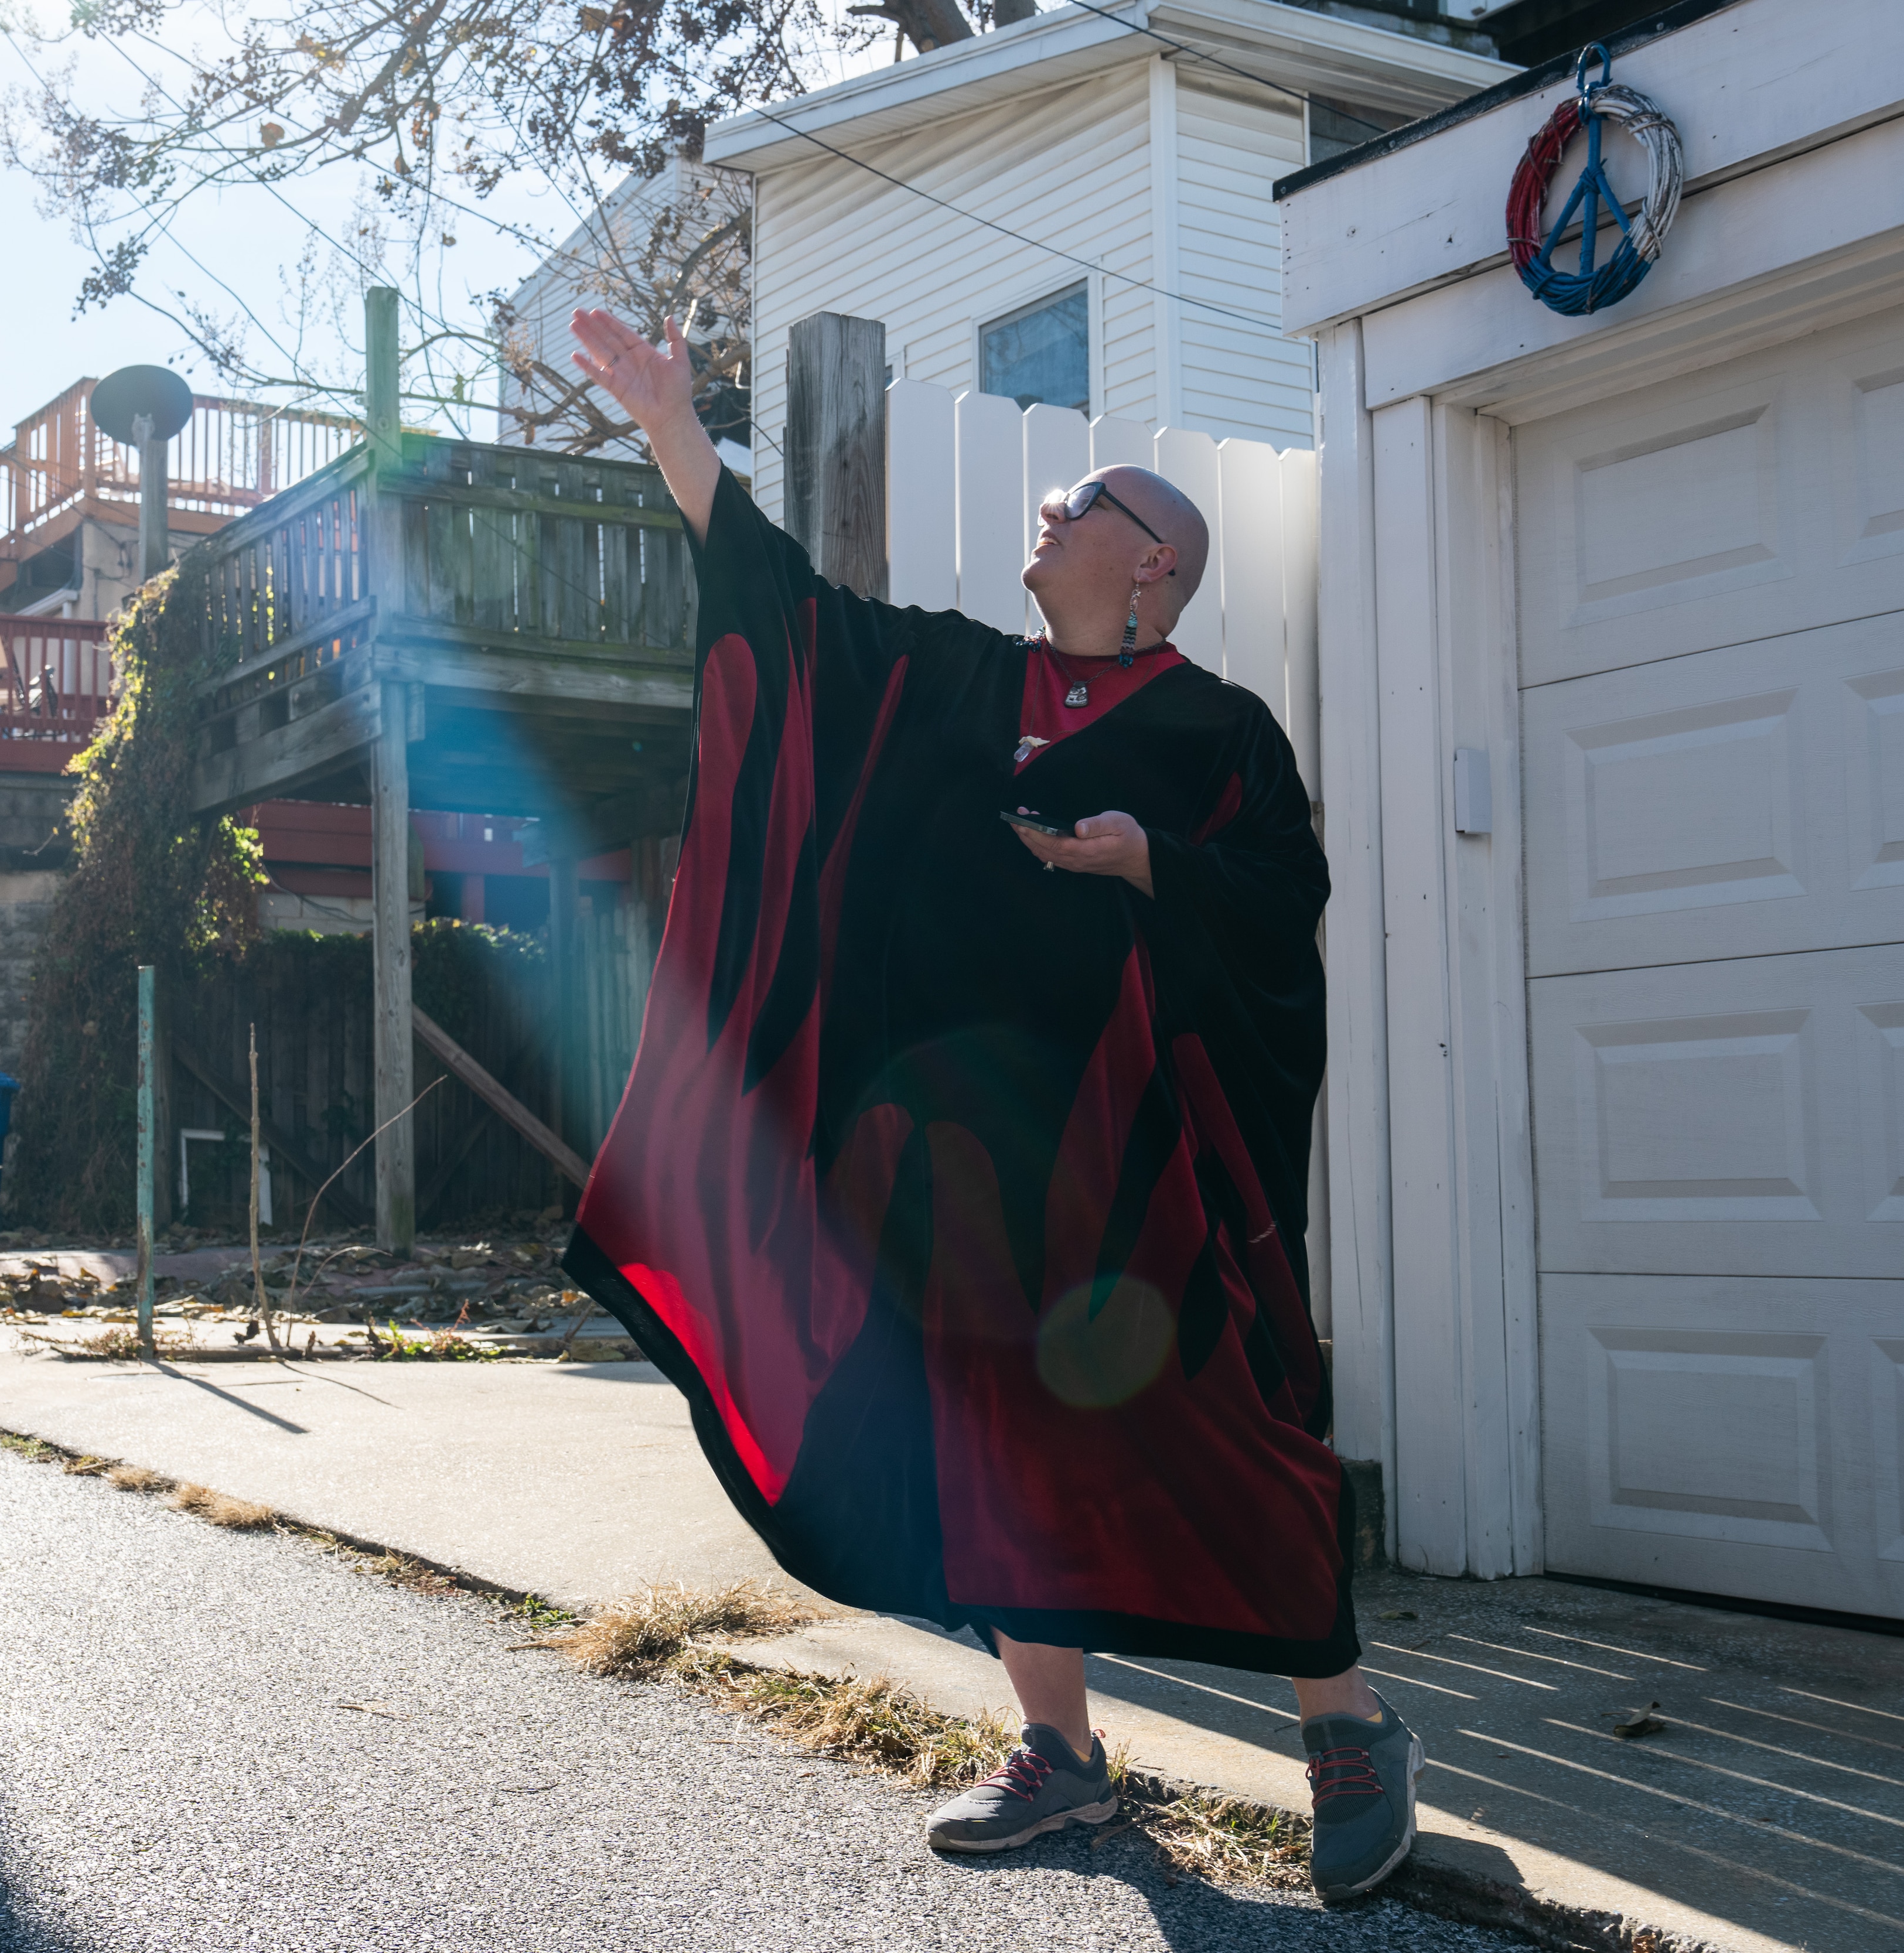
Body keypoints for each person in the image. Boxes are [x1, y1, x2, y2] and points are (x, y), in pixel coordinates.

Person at [555, 309, 1421, 1899]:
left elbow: (1281, 901)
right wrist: (676, 428)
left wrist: (1152, 865)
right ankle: (1062, 1757)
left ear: (1153, 564)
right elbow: (789, 620)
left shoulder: (1223, 733)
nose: (1051, 511)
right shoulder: (950, 681)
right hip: (955, 1152)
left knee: (1224, 1420)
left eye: (1083, 502)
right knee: (992, 1433)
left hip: (1140, 1156)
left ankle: (1349, 1731)